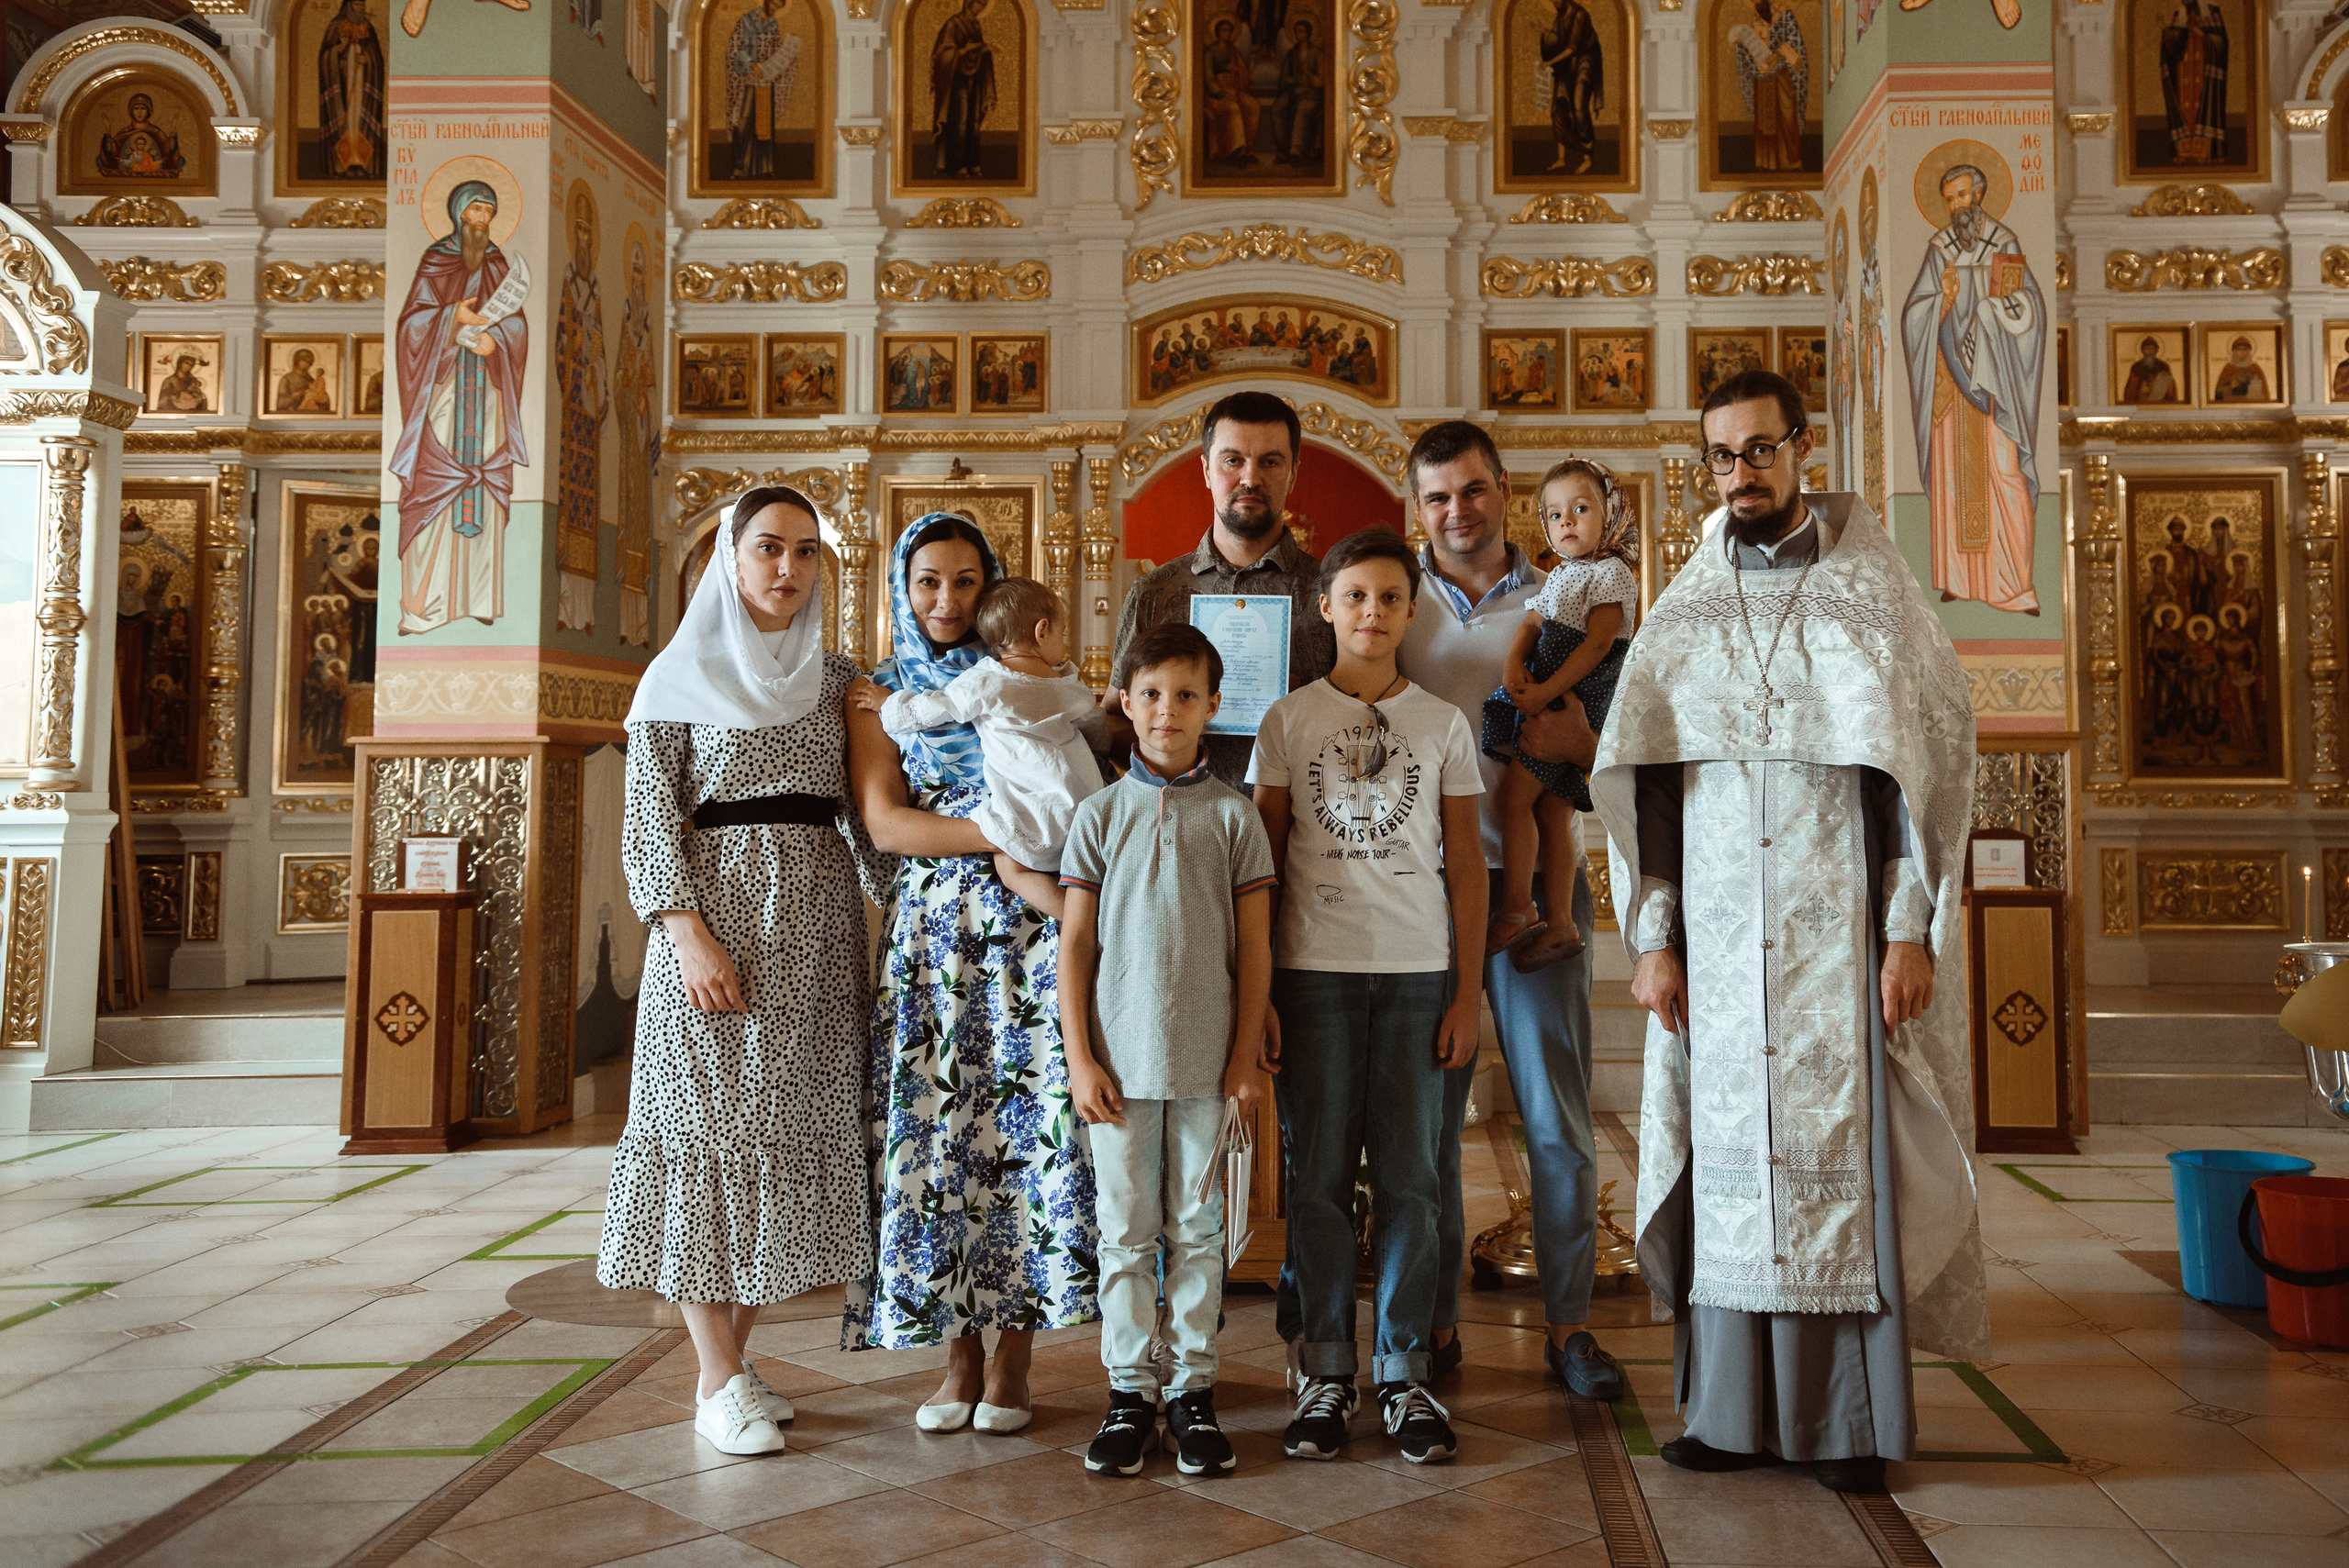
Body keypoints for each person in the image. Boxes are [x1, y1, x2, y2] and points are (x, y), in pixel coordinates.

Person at [1590, 368, 1987, 1494]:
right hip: (1715, 940)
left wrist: (1908, 930)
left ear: (1801, 448)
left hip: (1834, 944)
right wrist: (1653, 934)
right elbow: (1649, 789)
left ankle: (1850, 1425)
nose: (1741, 471)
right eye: (1721, 454)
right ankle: (1727, 1415)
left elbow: (1918, 778)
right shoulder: (1689, 602)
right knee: (1727, 1165)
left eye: (1760, 449)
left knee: (1830, 1171)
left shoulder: (1874, 595)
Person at [596, 486, 895, 1457]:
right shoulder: (674, 676)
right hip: (714, 929)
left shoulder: (841, 675)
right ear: (729, 556)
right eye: (769, 548)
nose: (787, 570)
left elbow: (871, 817)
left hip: (815, 932)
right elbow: (648, 818)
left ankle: (735, 1366)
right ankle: (716, 1378)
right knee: (703, 1139)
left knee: (777, 1145)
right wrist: (686, 933)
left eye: (806, 553)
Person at [841, 514, 1099, 1436]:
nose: (945, 600)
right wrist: (1005, 835)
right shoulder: (883, 690)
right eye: (926, 583)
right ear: (902, 592)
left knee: (1030, 1133)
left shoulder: (1033, 678)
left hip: (1032, 938)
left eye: (962, 580)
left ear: (989, 586)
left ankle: (1017, 1357)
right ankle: (955, 1357)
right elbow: (886, 823)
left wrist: (1027, 844)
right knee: (942, 1133)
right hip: (933, 939)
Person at [1395, 420, 1625, 1404]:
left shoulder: (1563, 591)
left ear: (1505, 491)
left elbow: (1621, 722)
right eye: (1438, 495)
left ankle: (1570, 1325)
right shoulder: (1386, 599)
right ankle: (1435, 1323)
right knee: (1426, 1123)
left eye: (1475, 489)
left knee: (1555, 1113)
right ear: (1418, 507)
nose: (1458, 510)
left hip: (1534, 893)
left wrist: (1584, 748)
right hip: (1417, 896)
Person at [1250, 528, 1488, 1467]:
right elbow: (1260, 868)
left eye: (1390, 597)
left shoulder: (1440, 724)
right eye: (1355, 596)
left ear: (1409, 609)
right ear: (1325, 606)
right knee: (1314, 1180)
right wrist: (1261, 988)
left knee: (1412, 1180)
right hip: (1313, 973)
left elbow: (1465, 865)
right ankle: (1323, 1369)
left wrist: (1465, 993)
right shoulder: (1288, 720)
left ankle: (1402, 1367)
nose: (1372, 613)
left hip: (1416, 972)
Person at [1058, 622, 1277, 1478]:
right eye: (1150, 693)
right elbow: (1075, 946)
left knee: (1197, 1228)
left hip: (1205, 1064)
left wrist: (1244, 1061)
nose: (1167, 710)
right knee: (1124, 1230)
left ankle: (1192, 1391)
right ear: (1125, 701)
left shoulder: (1234, 817)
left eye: (1186, 695)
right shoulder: (1098, 814)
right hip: (1115, 1065)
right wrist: (1082, 1056)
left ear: (1214, 706)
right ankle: (1127, 1395)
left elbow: (1253, 950)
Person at [1110, 390, 1337, 789]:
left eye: (1270, 462)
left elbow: (1364, 720)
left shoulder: (1334, 591)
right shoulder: (1153, 593)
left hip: (1302, 836)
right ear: (1206, 470)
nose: (1250, 478)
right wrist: (1167, 730)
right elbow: (1115, 719)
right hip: (1179, 831)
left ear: (1294, 473)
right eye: (1233, 460)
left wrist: (1308, 707)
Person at [854, 574, 1106, 910]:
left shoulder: (987, 680)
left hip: (1031, 814)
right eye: (1062, 633)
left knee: (1012, 868)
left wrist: (888, 703)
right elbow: (1096, 725)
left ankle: (1080, 919)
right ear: (1041, 631)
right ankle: (1096, 919)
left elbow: (933, 709)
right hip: (1083, 807)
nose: (1064, 644)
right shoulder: (1069, 684)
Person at [1482, 459, 1640, 973]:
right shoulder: (1563, 576)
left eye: (1580, 508)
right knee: (1550, 813)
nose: (1566, 521)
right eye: (1553, 514)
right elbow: (1531, 623)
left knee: (1515, 799)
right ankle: (1560, 925)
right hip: (1550, 689)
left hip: (1579, 700)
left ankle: (1516, 908)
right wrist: (1512, 666)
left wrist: (1545, 689)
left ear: (1609, 513)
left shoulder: (1610, 572)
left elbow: (1597, 646)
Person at [1900, 162, 2043, 615]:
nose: (1957, 206)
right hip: (1950, 382)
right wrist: (1941, 298)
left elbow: (2026, 307)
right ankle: (1959, 581)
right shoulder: (1939, 249)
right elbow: (1914, 314)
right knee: (1952, 477)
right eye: (1950, 199)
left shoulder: (2004, 243)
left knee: (2006, 473)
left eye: (1964, 196)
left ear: (1980, 194)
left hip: (1994, 381)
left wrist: (1989, 309)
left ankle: (2017, 585)